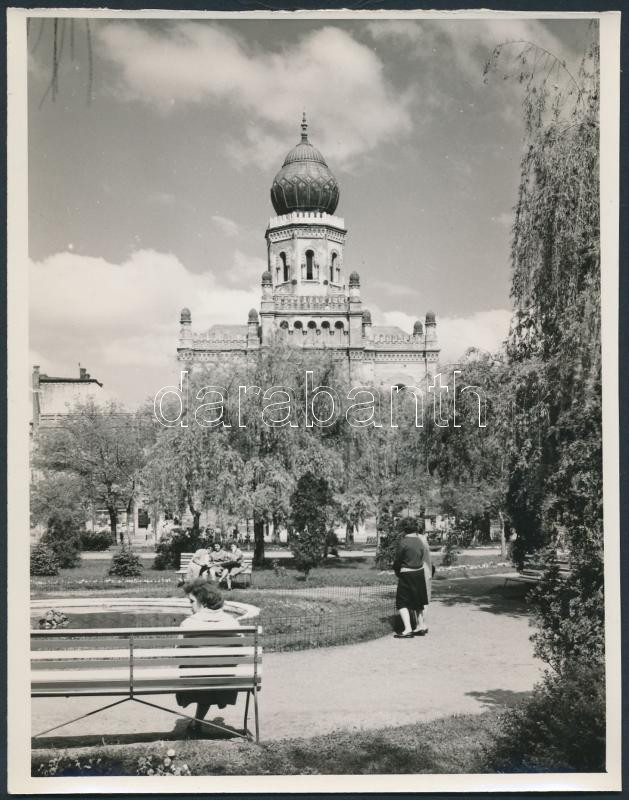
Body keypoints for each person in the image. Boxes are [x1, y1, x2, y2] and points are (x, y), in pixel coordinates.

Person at [176, 579, 238, 734]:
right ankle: (197, 722)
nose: (190, 605)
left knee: (201, 671)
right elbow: (241, 653)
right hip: (225, 681)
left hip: (193, 682)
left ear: (203, 603)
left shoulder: (188, 624)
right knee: (212, 671)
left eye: (192, 601)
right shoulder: (232, 622)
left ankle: (196, 723)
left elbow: (178, 654)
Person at [393, 522, 432, 638]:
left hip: (407, 573)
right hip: (419, 572)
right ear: (415, 531)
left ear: (404, 531)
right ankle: (421, 626)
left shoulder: (403, 542)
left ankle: (408, 629)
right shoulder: (420, 541)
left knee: (401, 602)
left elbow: (398, 559)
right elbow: (422, 555)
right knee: (418, 600)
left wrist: (396, 570)